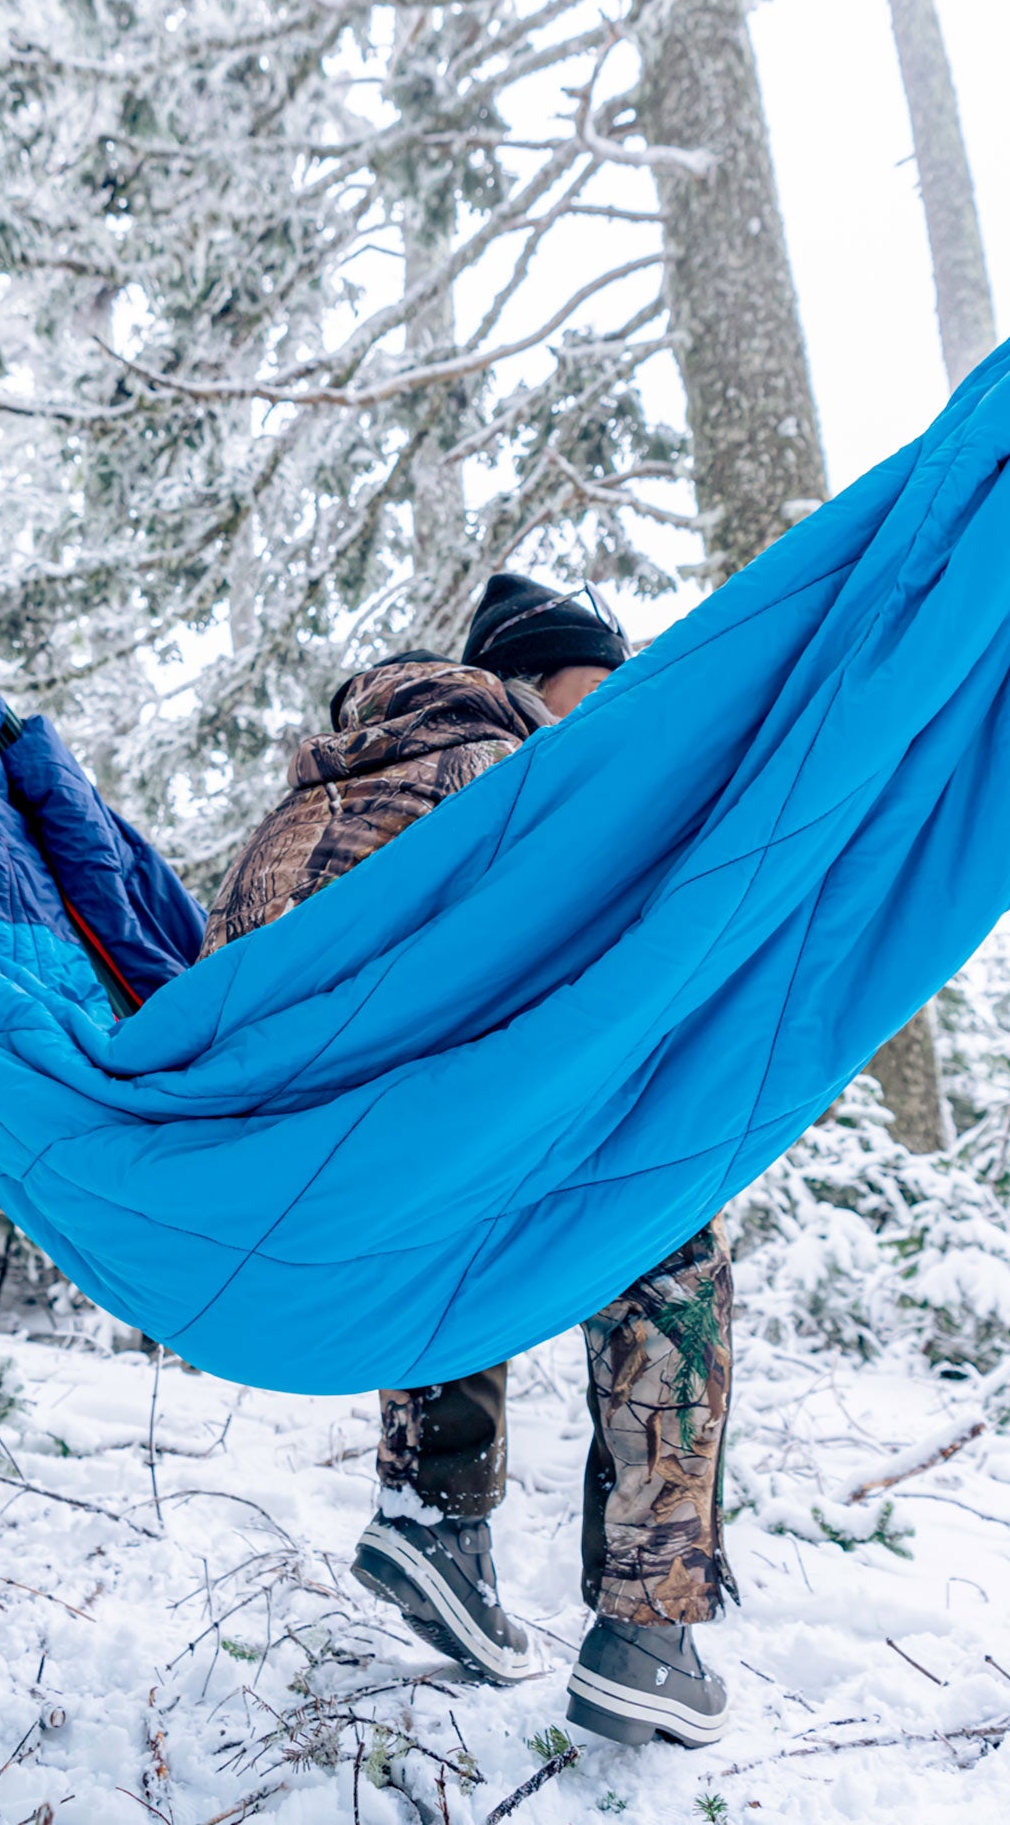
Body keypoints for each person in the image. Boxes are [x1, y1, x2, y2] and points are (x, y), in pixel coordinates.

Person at [199, 572, 735, 1748]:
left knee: (469, 1151)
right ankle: (650, 1620)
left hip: (274, 1181)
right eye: (602, 684)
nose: (617, 710)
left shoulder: (322, 789)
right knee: (664, 1222)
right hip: (386, 1155)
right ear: (533, 678)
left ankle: (432, 1510)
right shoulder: (514, 779)